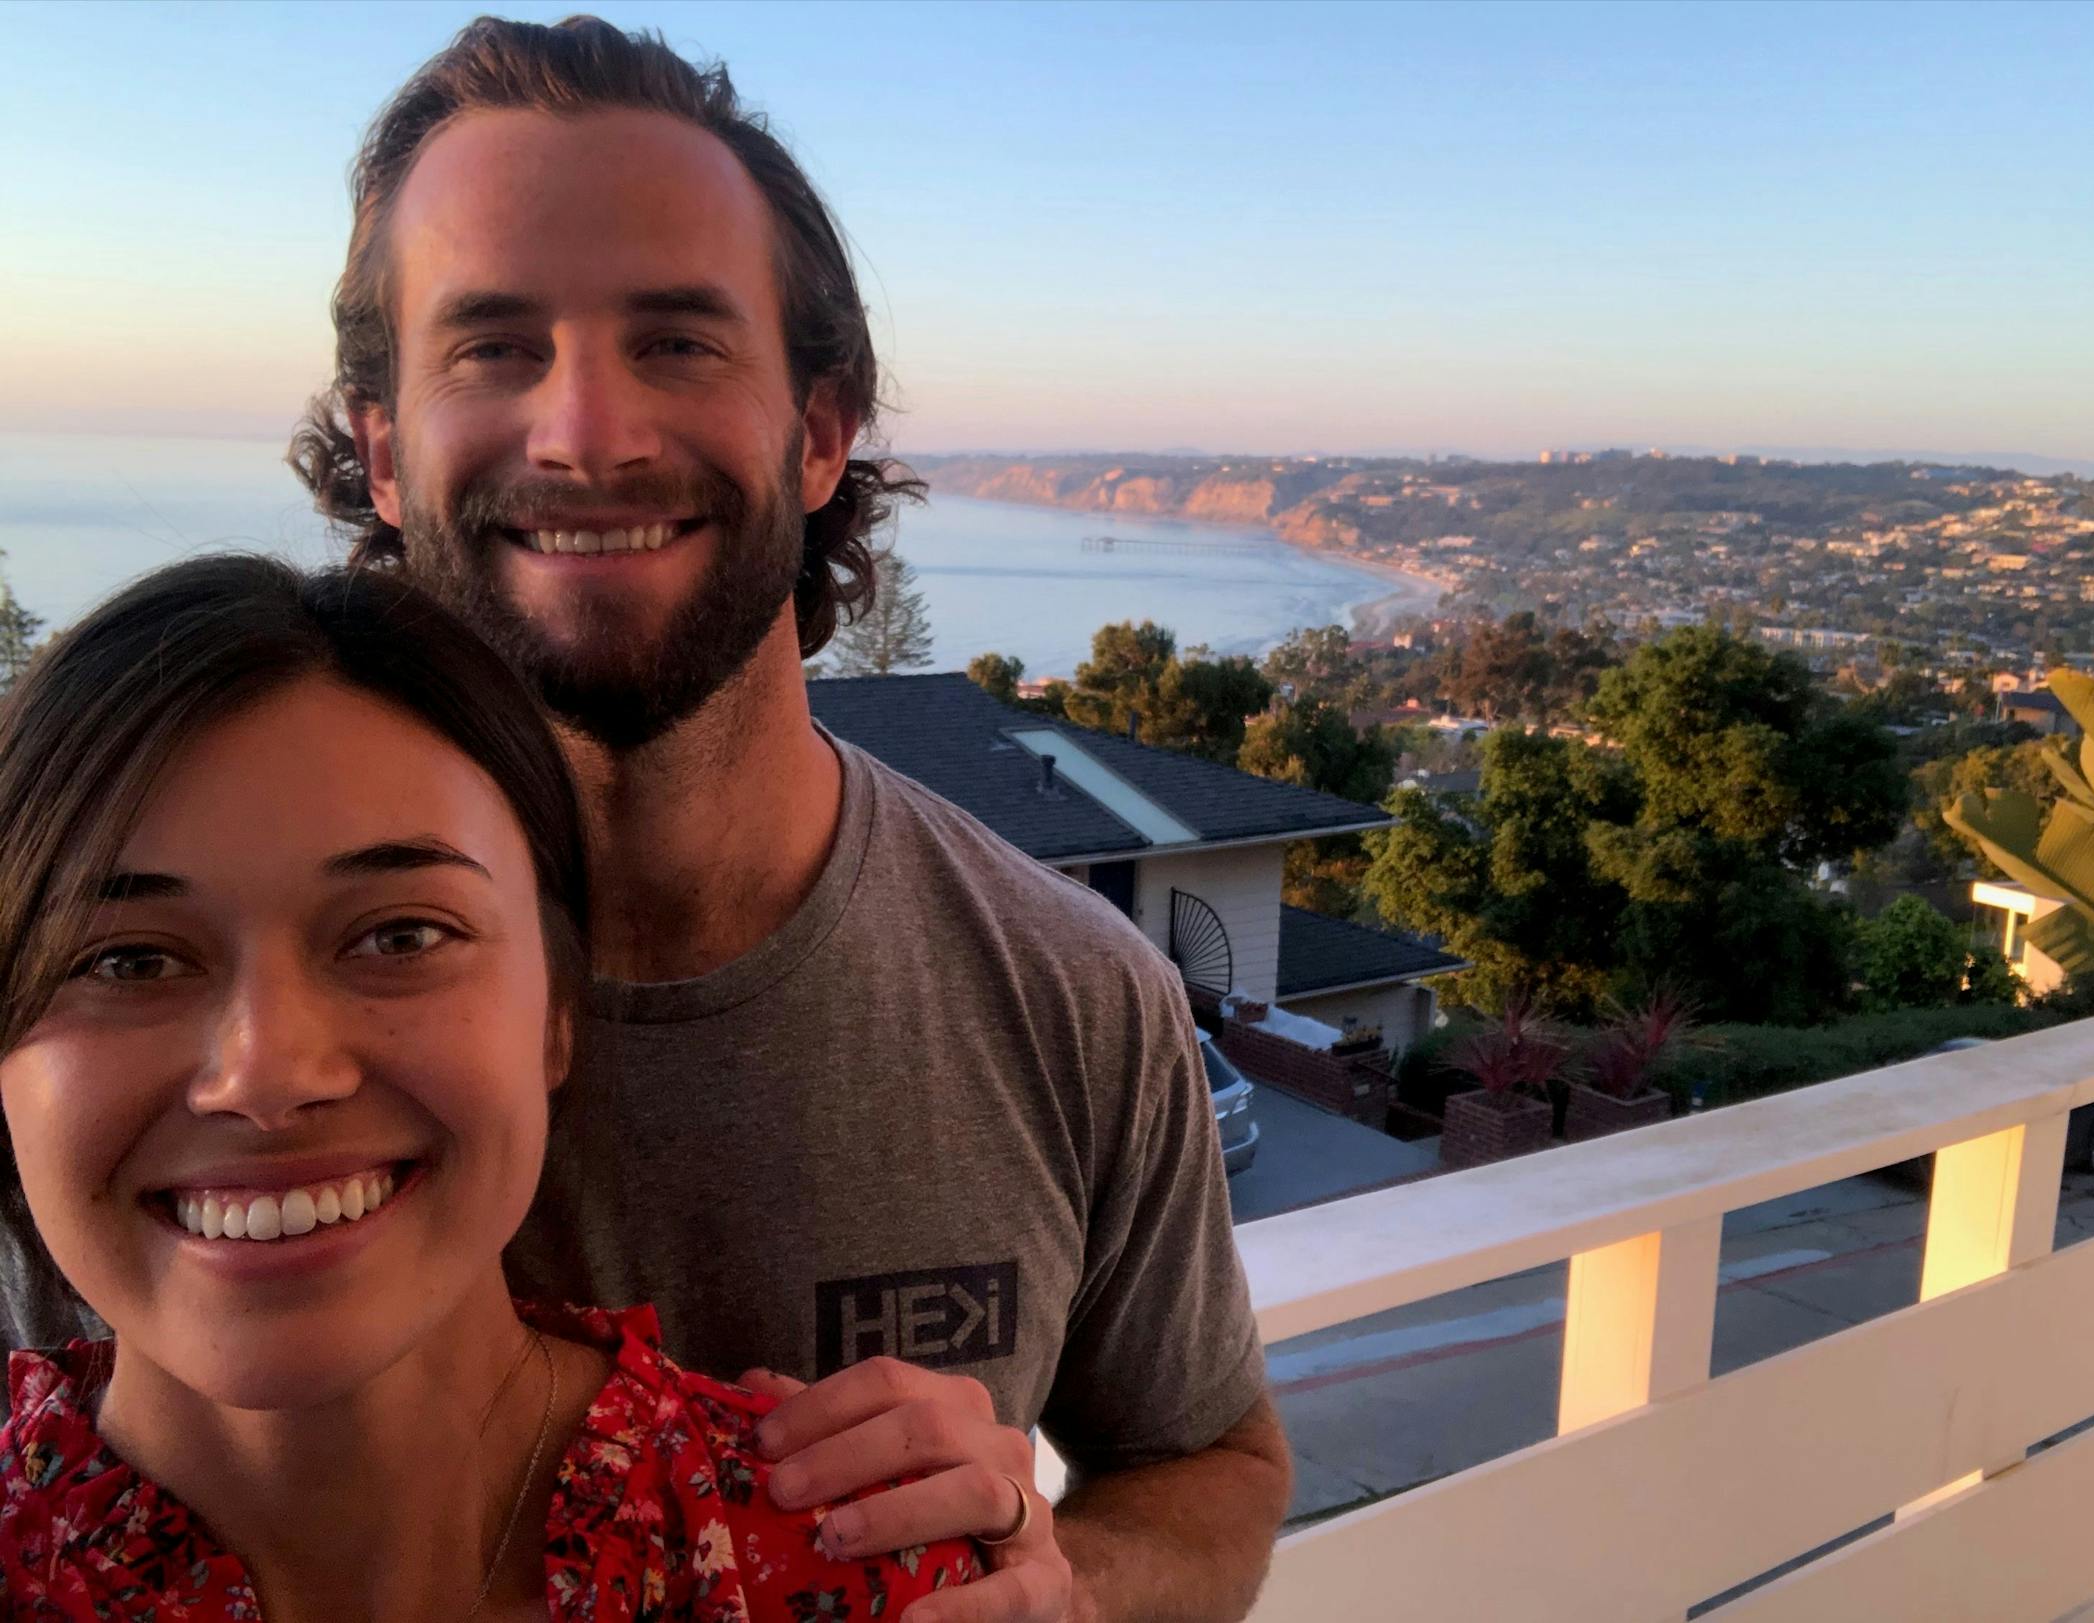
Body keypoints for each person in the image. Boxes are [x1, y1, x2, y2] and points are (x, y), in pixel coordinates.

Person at [6, 15, 1293, 1621]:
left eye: (679, 340)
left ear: (821, 430)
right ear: (384, 447)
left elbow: (1215, 1460)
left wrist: (1060, 1587)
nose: (589, 433)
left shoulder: (1071, 998)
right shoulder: (100, 1043)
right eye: (493, 345)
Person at [0, 556, 986, 1619]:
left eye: (401, 935)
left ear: (558, 1012)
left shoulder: (847, 1558)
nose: (267, 1074)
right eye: (128, 962)